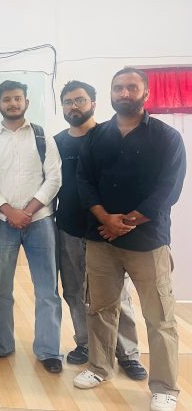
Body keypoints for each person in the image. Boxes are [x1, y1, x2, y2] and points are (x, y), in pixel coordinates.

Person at [73, 68, 186, 411]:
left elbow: (168, 189)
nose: (124, 93)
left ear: (145, 93)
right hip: (101, 238)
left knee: (160, 317)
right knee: (100, 309)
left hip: (148, 240)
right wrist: (105, 219)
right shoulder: (97, 136)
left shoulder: (166, 137)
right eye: (118, 87)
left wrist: (127, 222)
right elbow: (83, 181)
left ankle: (165, 387)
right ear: (110, 93)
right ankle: (99, 368)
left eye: (131, 87)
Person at [54, 81, 145, 379]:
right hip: (68, 228)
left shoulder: (109, 136)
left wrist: (120, 221)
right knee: (73, 290)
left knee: (117, 293)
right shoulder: (56, 142)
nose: (74, 106)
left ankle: (127, 353)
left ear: (93, 103)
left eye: (80, 100)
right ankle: (85, 343)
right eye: (68, 101)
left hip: (105, 230)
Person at [0, 80, 63, 374]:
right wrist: (9, 211)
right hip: (2, 222)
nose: (12, 103)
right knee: (0, 288)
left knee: (47, 289)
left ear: (26, 102)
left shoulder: (42, 137)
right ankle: (0, 344)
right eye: (7, 99)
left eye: (17, 98)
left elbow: (54, 178)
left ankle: (49, 350)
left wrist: (27, 211)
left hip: (40, 221)